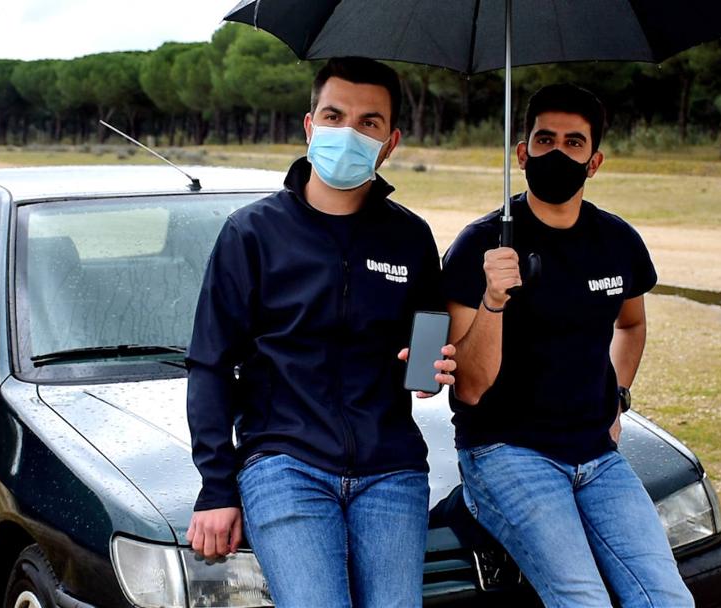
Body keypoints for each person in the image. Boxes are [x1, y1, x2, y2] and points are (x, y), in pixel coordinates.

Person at [185, 57, 451, 608]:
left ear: (390, 142)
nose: (348, 132)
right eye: (334, 116)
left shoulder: (411, 237)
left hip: (392, 468)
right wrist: (216, 486)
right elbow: (210, 363)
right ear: (310, 126)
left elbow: (428, 351)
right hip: (284, 464)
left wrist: (432, 369)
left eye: (369, 122)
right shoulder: (251, 233)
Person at [437, 84, 695, 607]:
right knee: (583, 600)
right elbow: (469, 388)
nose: (557, 153)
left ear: (593, 162)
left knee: (668, 598)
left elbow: (630, 326)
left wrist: (618, 396)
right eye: (545, 140)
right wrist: (492, 300)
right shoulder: (480, 245)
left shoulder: (617, 241)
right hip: (505, 452)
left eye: (573, 143)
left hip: (597, 455)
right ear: (522, 153)